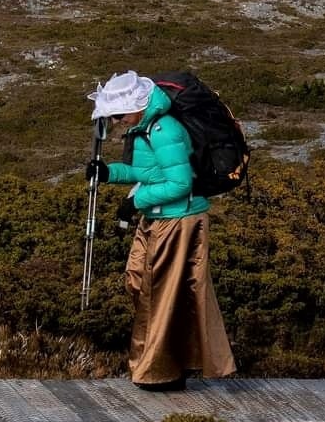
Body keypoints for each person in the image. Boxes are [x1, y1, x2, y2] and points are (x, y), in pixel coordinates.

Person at [89, 71, 237, 392]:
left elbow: (180, 183)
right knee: (140, 281)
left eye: (118, 115)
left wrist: (135, 201)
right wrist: (109, 173)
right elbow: (151, 172)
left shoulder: (163, 130)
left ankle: (162, 372)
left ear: (136, 107)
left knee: (162, 293)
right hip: (158, 216)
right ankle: (173, 362)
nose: (115, 123)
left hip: (178, 220)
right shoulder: (145, 129)